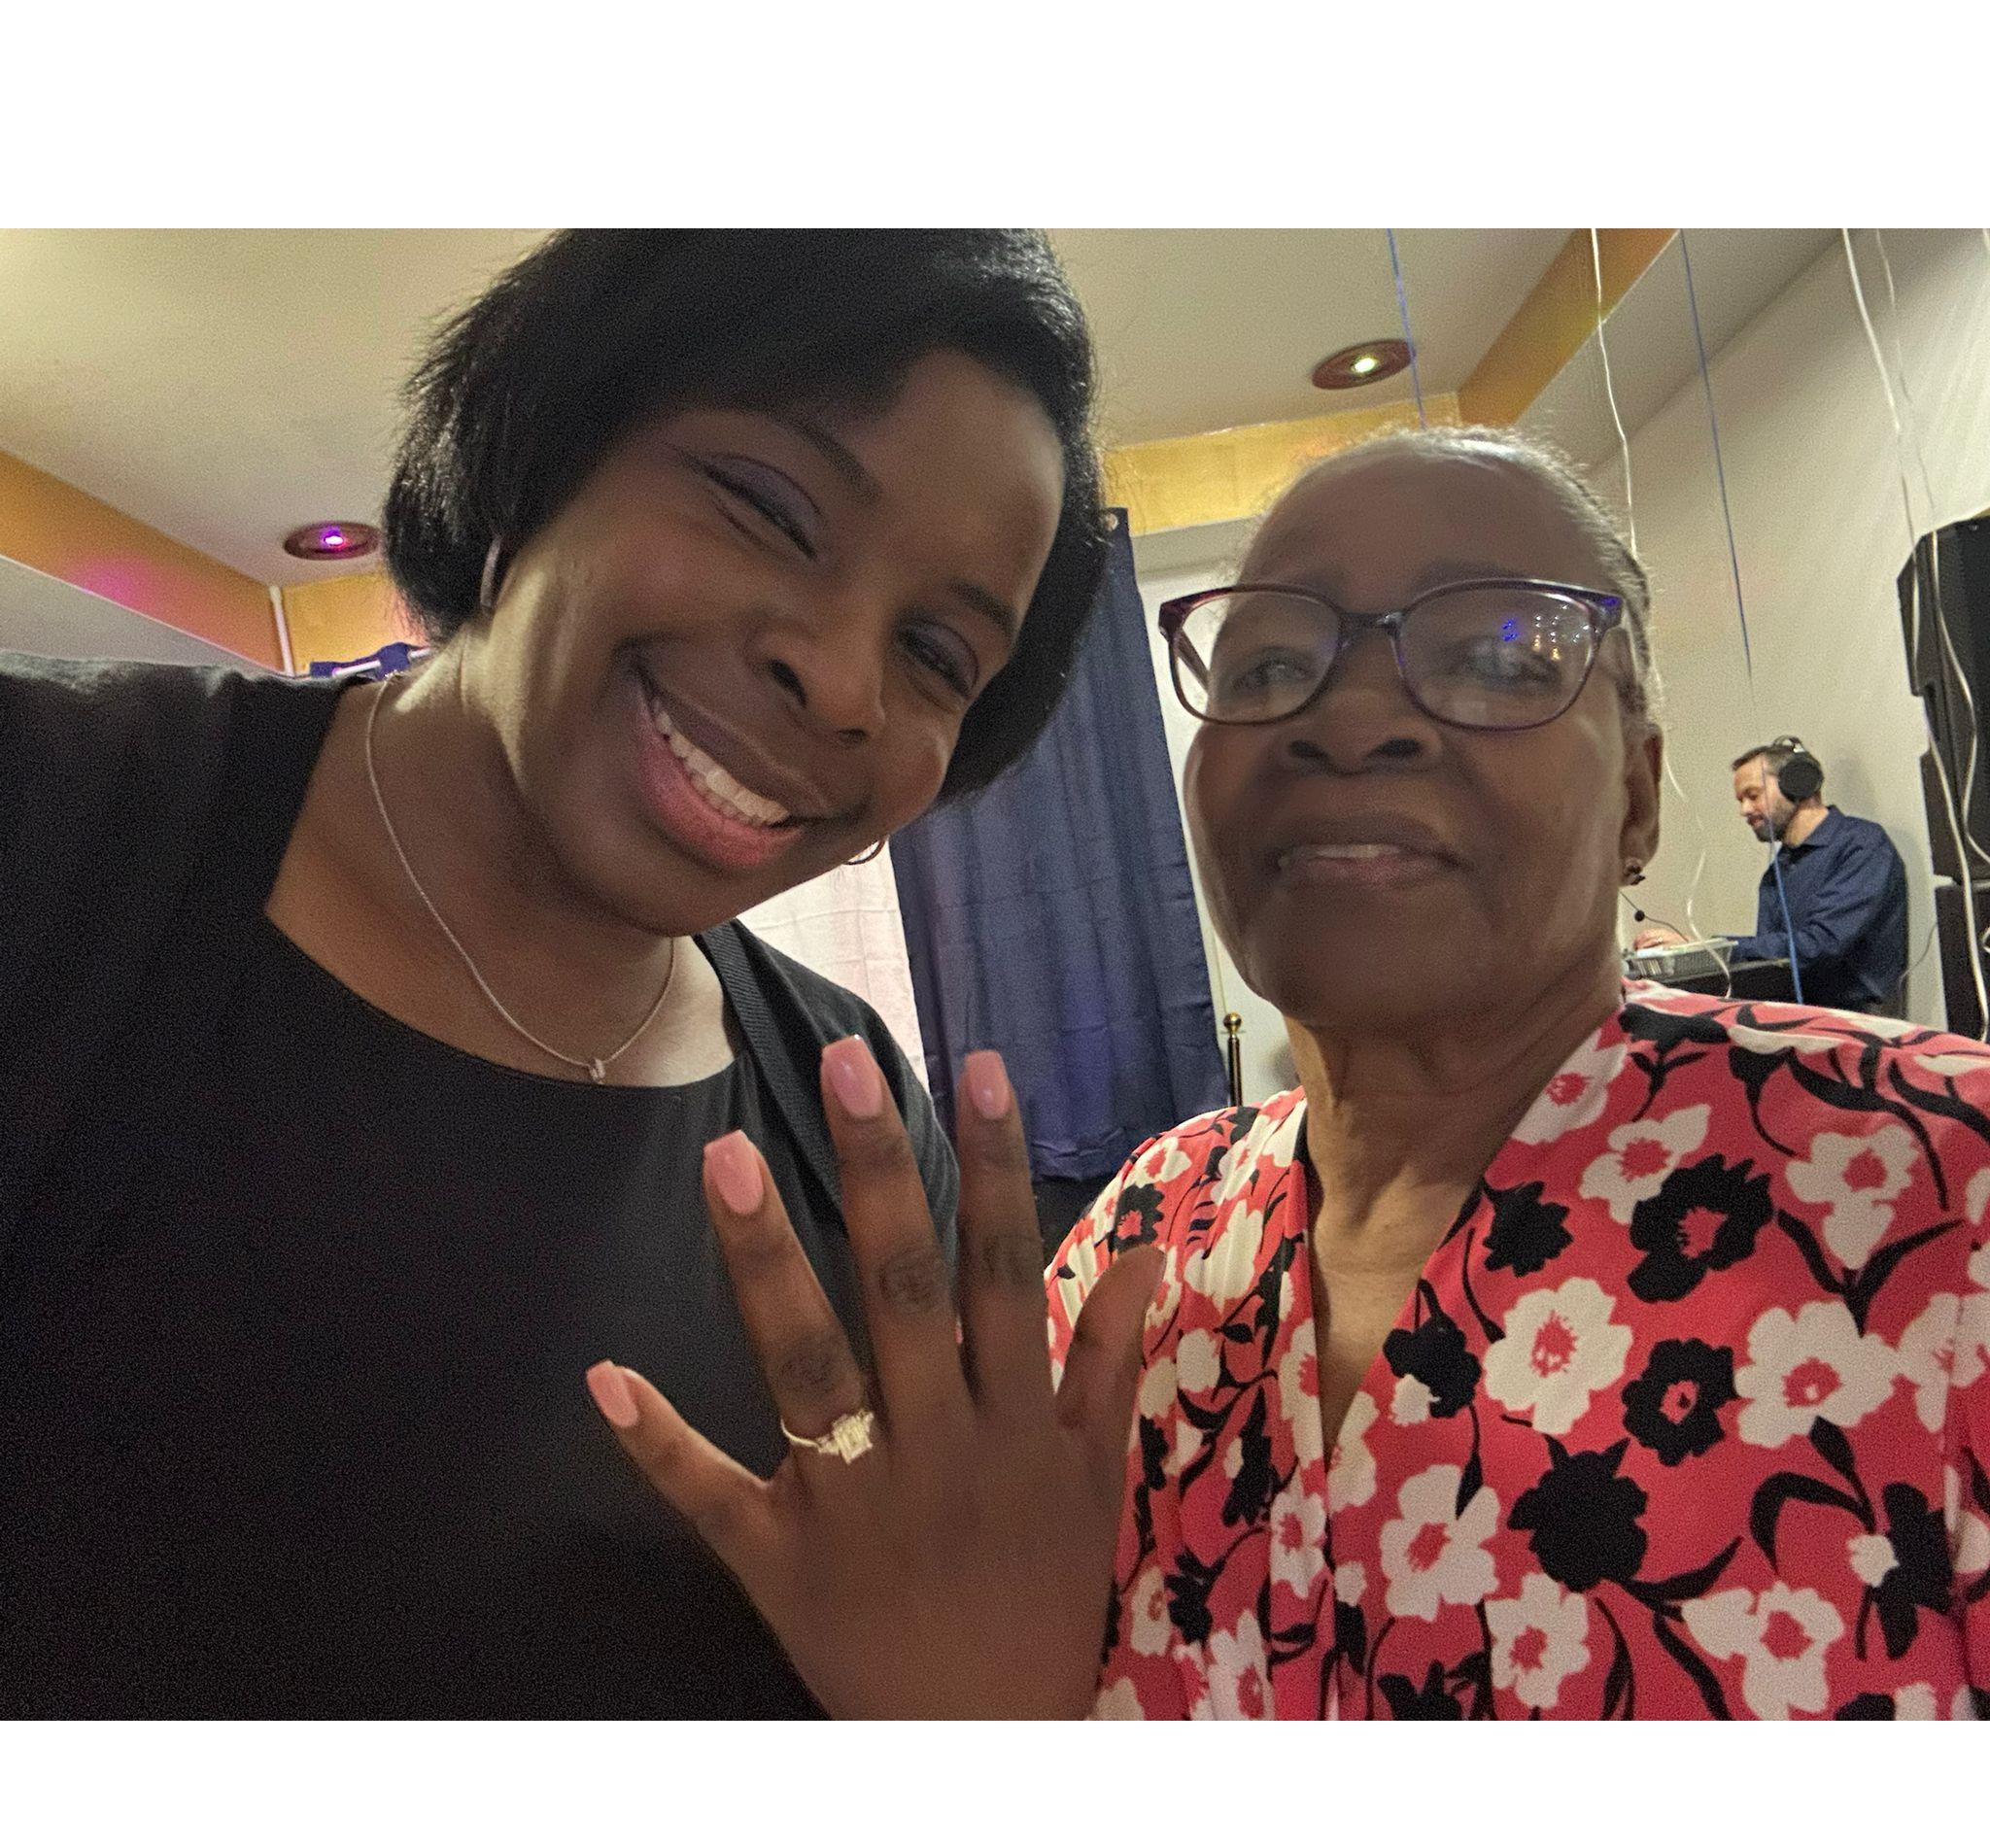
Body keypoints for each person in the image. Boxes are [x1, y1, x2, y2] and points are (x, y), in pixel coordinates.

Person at [597, 423, 1990, 1719]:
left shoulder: (1948, 1181)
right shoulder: (1145, 1233)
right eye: (1268, 665)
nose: (1351, 718)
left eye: (1498, 653)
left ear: (1639, 793)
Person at [0, 228, 1108, 1718]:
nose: (843, 683)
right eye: (771, 507)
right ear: (539, 452)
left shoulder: (846, 1113)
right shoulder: (63, 824)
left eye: (934, 654)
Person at [1634, 737, 1909, 1013]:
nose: (1745, 810)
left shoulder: (1862, 845)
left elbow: (1818, 945)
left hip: (1856, 1024)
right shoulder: (1777, 871)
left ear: (1798, 784)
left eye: (1753, 795)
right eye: (1741, 800)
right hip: (1800, 1021)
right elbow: (1770, 967)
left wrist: (1708, 950)